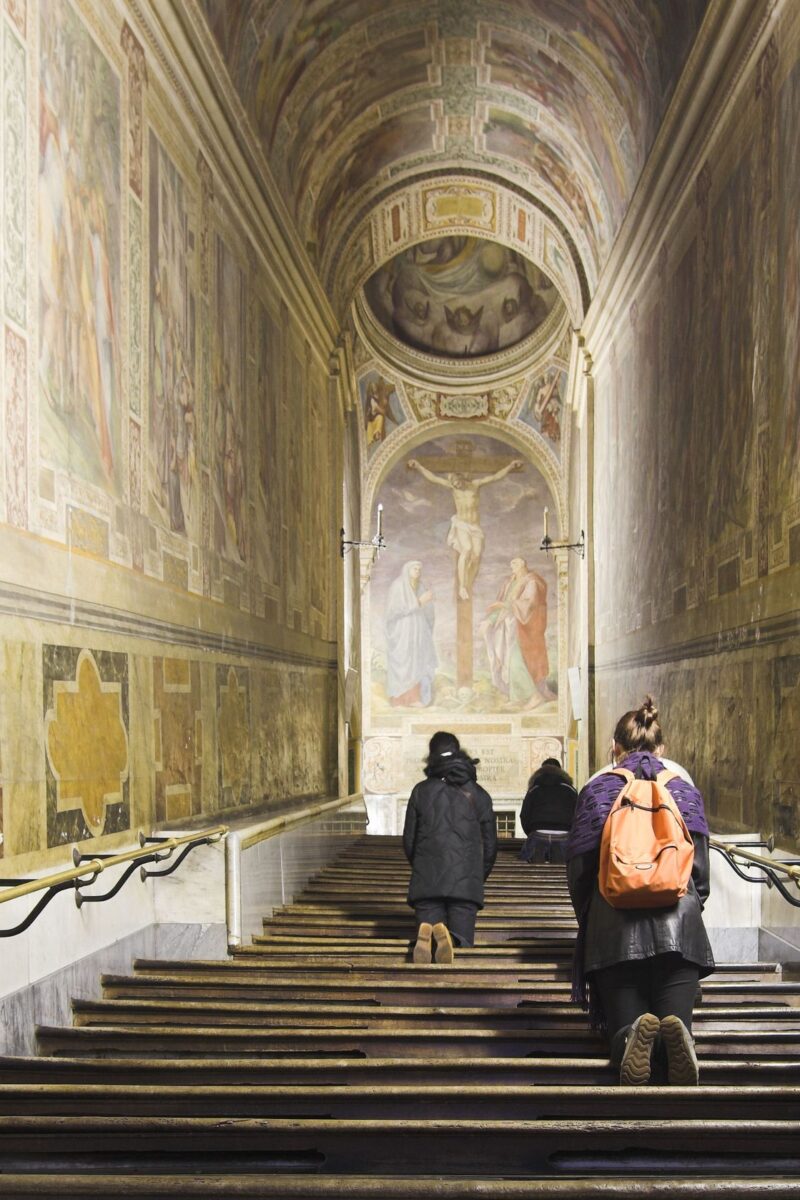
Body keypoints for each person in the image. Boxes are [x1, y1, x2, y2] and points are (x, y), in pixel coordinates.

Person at [565, 697, 714, 1086]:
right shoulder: (683, 791)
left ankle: (629, 1036)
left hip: (614, 931)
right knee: (673, 1023)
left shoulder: (597, 793)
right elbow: (700, 877)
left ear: (614, 748)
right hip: (680, 930)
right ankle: (679, 1038)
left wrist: (594, 917)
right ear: (661, 749)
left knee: (624, 1031)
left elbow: (580, 875)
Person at [403, 731, 497, 963]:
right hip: (466, 886)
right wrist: (475, 875)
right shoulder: (480, 795)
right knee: (462, 955)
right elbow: (491, 847)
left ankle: (430, 939)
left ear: (431, 756)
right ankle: (454, 940)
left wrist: (422, 866)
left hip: (427, 881)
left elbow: (409, 841)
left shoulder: (420, 791)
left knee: (425, 955)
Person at [407, 457, 522, 600]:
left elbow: (494, 477)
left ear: (462, 480)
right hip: (461, 523)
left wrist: (510, 466)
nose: (456, 486)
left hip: (475, 526)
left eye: (458, 483)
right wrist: (418, 465)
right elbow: (433, 478)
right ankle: (462, 586)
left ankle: (468, 584)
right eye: (453, 484)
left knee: (477, 555)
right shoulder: (453, 488)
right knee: (466, 549)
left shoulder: (475, 485)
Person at [481, 556, 555, 709]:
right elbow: (501, 608)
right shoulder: (509, 583)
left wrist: (502, 604)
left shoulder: (532, 582)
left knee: (515, 660)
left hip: (525, 628)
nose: (511, 565)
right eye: (511, 563)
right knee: (509, 660)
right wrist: (490, 620)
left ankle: (534, 696)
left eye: (514, 563)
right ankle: (517, 697)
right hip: (509, 627)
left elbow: (529, 605)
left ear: (523, 564)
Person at [384, 561, 436, 707]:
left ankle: (414, 698)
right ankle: (399, 699)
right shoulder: (398, 586)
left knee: (417, 663)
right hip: (402, 632)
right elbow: (394, 611)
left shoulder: (420, 587)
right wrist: (419, 602)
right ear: (407, 570)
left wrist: (427, 604)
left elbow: (428, 611)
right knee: (404, 661)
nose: (418, 571)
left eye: (420, 569)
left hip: (418, 632)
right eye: (415, 568)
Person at [519, 757, 577, 864]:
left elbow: (524, 815)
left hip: (538, 833)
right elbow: (578, 814)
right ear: (561, 771)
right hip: (564, 834)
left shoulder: (534, 789)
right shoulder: (570, 790)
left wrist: (532, 832)